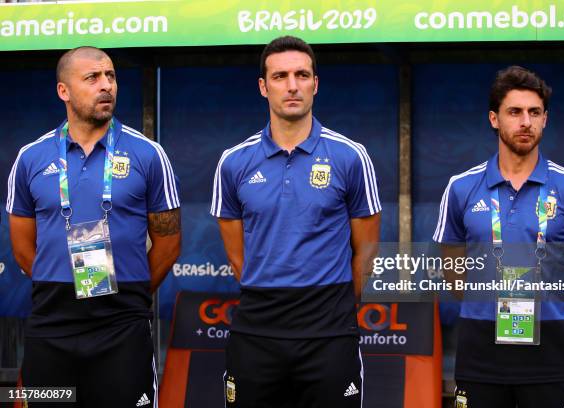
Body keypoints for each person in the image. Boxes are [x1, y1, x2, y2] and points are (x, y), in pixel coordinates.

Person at [211, 36, 381, 408]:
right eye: (280, 76)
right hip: (257, 328)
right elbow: (238, 258)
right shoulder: (233, 162)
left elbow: (366, 251)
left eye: (302, 75)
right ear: (263, 86)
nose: (292, 85)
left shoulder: (351, 156)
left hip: (329, 331)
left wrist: (332, 305)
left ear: (315, 84)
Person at [6, 46, 181, 407]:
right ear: (63, 91)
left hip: (123, 326)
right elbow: (23, 248)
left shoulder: (148, 153)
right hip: (51, 325)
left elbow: (168, 242)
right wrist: (60, 281)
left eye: (111, 76)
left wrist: (131, 293)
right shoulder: (31, 157)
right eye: (93, 78)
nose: (106, 86)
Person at [433, 65, 564, 408]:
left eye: (534, 112)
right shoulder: (461, 187)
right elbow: (454, 272)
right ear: (494, 119)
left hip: (552, 351)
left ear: (545, 120)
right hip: (480, 351)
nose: (525, 122)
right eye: (515, 112)